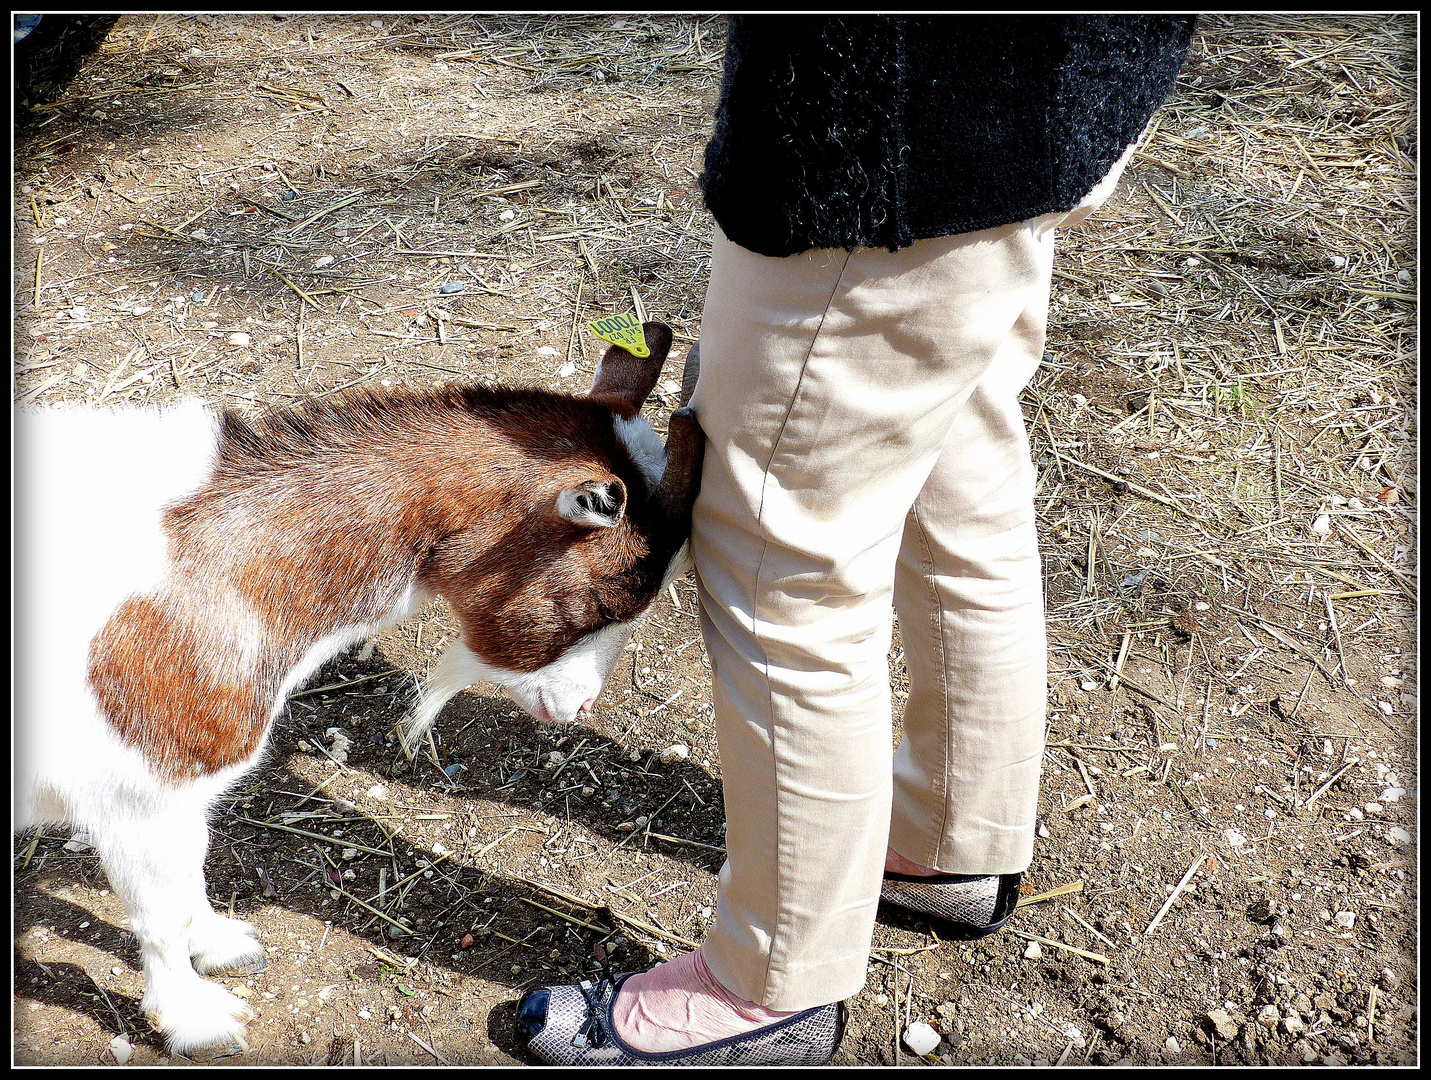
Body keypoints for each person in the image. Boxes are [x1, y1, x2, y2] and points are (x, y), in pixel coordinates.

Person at [517, 14, 1195, 1065]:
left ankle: (770, 985)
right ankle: (944, 843)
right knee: (958, 463)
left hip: (885, 118)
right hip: (1049, 91)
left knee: (780, 553)